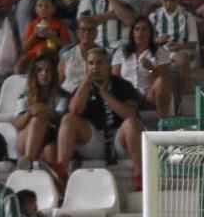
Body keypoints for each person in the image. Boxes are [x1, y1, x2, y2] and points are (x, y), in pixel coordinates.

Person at [54, 47, 143, 189]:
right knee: (68, 119)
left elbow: (130, 114)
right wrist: (85, 84)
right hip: (93, 140)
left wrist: (105, 94)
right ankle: (61, 173)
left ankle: (140, 174)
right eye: (91, 63)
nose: (95, 67)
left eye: (99, 62)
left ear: (108, 64)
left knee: (132, 123)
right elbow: (75, 110)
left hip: (119, 139)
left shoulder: (123, 85)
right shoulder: (83, 87)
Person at [148, 0, 199, 113]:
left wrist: (180, 46)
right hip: (160, 50)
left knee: (182, 59)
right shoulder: (154, 17)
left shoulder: (187, 16)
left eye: (172, 0)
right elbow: (147, 42)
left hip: (182, 50)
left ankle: (186, 96)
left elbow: (193, 43)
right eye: (165, 0)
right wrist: (158, 40)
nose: (168, 4)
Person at [14, 53, 69, 167]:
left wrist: (44, 109)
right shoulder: (25, 96)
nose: (44, 74)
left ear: (54, 73)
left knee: (51, 151)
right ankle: (28, 160)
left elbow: (60, 120)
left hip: (51, 137)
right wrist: (29, 113)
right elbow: (18, 124)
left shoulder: (62, 95)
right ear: (35, 74)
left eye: (48, 70)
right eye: (40, 71)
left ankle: (54, 182)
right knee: (37, 119)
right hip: (26, 138)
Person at [112, 15, 169, 117]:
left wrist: (151, 69)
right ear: (132, 32)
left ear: (150, 32)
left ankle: (162, 124)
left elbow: (163, 80)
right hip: (127, 94)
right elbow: (115, 77)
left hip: (148, 94)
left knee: (161, 82)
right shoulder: (121, 51)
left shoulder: (160, 52)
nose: (140, 33)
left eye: (144, 29)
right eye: (137, 29)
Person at [15, 0, 70, 74]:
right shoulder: (32, 24)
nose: (43, 8)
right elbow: (25, 47)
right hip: (33, 53)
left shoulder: (59, 24)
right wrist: (34, 34)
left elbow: (66, 44)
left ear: (53, 9)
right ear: (36, 10)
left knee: (42, 51)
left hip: (52, 52)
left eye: (47, 5)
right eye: (40, 6)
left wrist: (51, 37)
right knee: (20, 63)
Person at [58, 14, 98, 94]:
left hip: (92, 95)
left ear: (96, 33)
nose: (86, 33)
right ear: (77, 33)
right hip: (67, 93)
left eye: (90, 30)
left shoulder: (103, 54)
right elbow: (61, 77)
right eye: (83, 30)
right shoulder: (67, 54)